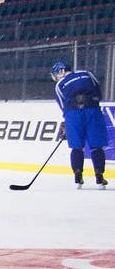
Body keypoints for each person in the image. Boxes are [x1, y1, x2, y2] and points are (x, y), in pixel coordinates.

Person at [51, 60, 107, 189]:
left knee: (77, 147)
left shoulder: (59, 85)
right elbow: (98, 92)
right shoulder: (87, 74)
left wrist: (67, 124)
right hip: (93, 110)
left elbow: (63, 107)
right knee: (96, 145)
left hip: (73, 114)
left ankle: (78, 174)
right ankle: (99, 175)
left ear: (61, 71)